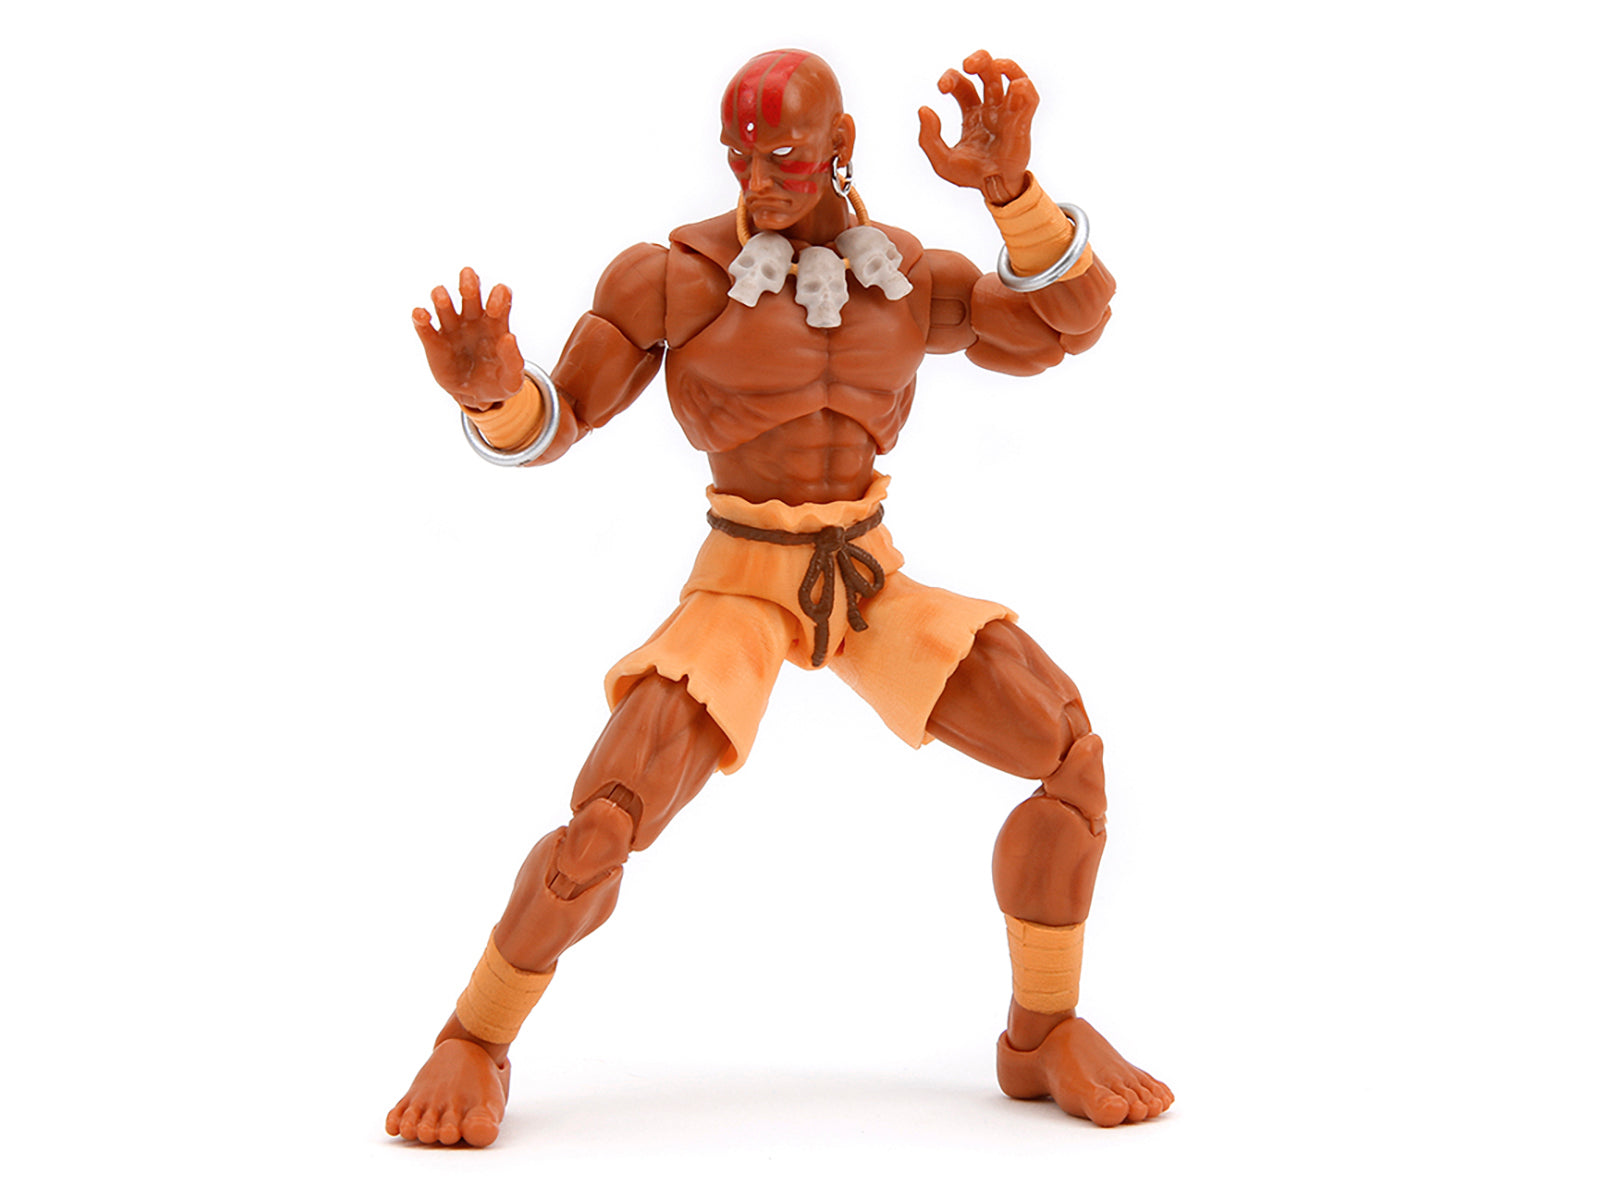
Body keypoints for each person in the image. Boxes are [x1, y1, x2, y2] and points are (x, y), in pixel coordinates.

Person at [389, 48, 1171, 1148]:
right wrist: (497, 397)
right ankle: (473, 1038)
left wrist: (1012, 193)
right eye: (742, 158)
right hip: (745, 581)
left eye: (787, 158)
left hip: (865, 574)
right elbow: (561, 417)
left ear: (840, 147)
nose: (760, 181)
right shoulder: (671, 281)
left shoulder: (905, 276)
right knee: (605, 822)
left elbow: (1062, 327)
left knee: (1070, 756)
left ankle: (1042, 1032)